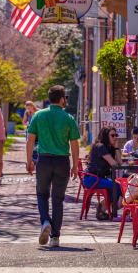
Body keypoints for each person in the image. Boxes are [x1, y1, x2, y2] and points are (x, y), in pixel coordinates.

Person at [26, 85, 80, 248]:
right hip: (62, 161)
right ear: (62, 99)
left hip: (43, 160)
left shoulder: (38, 115)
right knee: (58, 199)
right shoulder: (68, 118)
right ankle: (55, 237)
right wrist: (75, 166)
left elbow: (30, 140)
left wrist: (29, 161)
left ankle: (45, 221)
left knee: (42, 194)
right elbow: (75, 144)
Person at [83, 127, 122, 220]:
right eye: (112, 135)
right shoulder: (100, 146)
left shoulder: (109, 148)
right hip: (91, 179)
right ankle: (103, 208)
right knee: (117, 186)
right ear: (105, 136)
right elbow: (114, 163)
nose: (115, 137)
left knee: (118, 185)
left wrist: (116, 147)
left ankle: (102, 208)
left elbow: (119, 163)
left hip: (98, 179)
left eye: (116, 135)